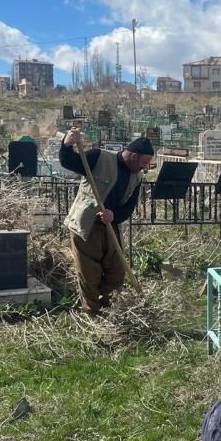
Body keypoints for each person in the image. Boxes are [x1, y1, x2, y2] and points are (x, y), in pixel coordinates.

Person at [59, 130, 153, 313]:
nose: (145, 168)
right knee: (89, 273)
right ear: (133, 156)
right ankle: (92, 313)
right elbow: (69, 161)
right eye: (144, 163)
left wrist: (114, 215)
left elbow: (128, 207)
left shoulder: (137, 178)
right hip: (86, 225)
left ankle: (109, 308)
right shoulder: (98, 157)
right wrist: (67, 144)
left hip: (110, 226)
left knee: (116, 269)